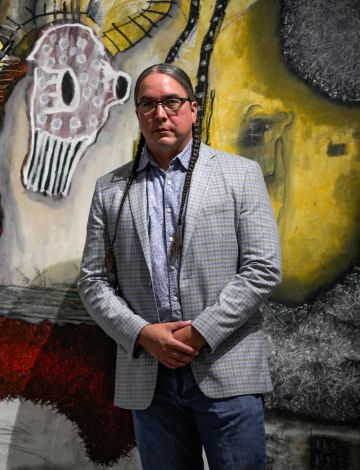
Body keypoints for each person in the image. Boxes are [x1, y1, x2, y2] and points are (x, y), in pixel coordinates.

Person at [78, 63, 281, 470]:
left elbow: (263, 268)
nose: (160, 113)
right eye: (148, 104)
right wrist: (141, 333)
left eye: (171, 101)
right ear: (138, 114)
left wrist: (200, 332)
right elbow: (93, 281)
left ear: (193, 108)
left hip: (227, 367)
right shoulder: (110, 189)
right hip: (149, 376)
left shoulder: (239, 174)